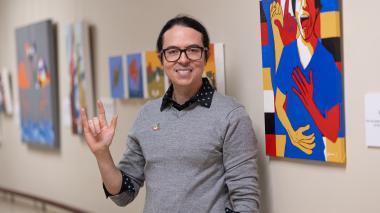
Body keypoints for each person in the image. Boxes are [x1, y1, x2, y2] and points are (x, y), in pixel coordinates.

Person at [80, 15, 260, 212]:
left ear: (205, 56)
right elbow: (123, 194)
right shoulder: (147, 114)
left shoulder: (232, 116)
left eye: (193, 50)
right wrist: (101, 154)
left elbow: (245, 202)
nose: (183, 59)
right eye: (173, 51)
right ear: (161, 59)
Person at [272, 0, 344, 160]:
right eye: (300, 4)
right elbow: (278, 104)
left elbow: (332, 132)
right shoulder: (288, 53)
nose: (304, 6)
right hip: (289, 152)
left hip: (316, 152)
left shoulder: (326, 60)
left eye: (308, 3)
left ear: (316, 11)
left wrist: (310, 104)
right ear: (295, 13)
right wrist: (292, 135)